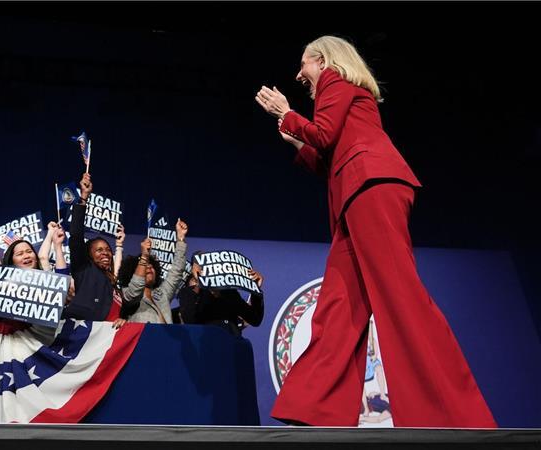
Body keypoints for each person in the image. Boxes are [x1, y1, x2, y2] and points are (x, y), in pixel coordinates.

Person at [257, 35, 495, 427]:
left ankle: (449, 411)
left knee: (400, 296)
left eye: (304, 64)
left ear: (324, 59)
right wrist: (296, 140)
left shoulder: (335, 80)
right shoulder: (344, 92)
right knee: (338, 303)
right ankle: (316, 409)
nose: (300, 74)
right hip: (356, 194)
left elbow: (324, 135)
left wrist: (287, 114)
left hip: (372, 188)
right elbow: (330, 158)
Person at [61, 173, 127, 328]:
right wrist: (83, 198)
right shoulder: (84, 268)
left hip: (109, 339)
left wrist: (123, 319)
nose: (105, 252)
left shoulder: (114, 282)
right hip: (86, 338)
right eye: (98, 250)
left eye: (107, 249)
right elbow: (76, 236)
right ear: (88, 255)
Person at [117, 219, 188, 324]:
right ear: (133, 273)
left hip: (166, 340)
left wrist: (180, 238)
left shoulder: (162, 293)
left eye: (151, 266)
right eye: (145, 267)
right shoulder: (127, 293)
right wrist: (144, 256)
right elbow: (135, 288)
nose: (149, 267)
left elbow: (177, 270)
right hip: (143, 339)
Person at [177, 255, 264, 336]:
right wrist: (200, 284)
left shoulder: (228, 293)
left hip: (230, 345)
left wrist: (255, 290)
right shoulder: (189, 293)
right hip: (204, 346)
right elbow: (190, 321)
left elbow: (255, 319)